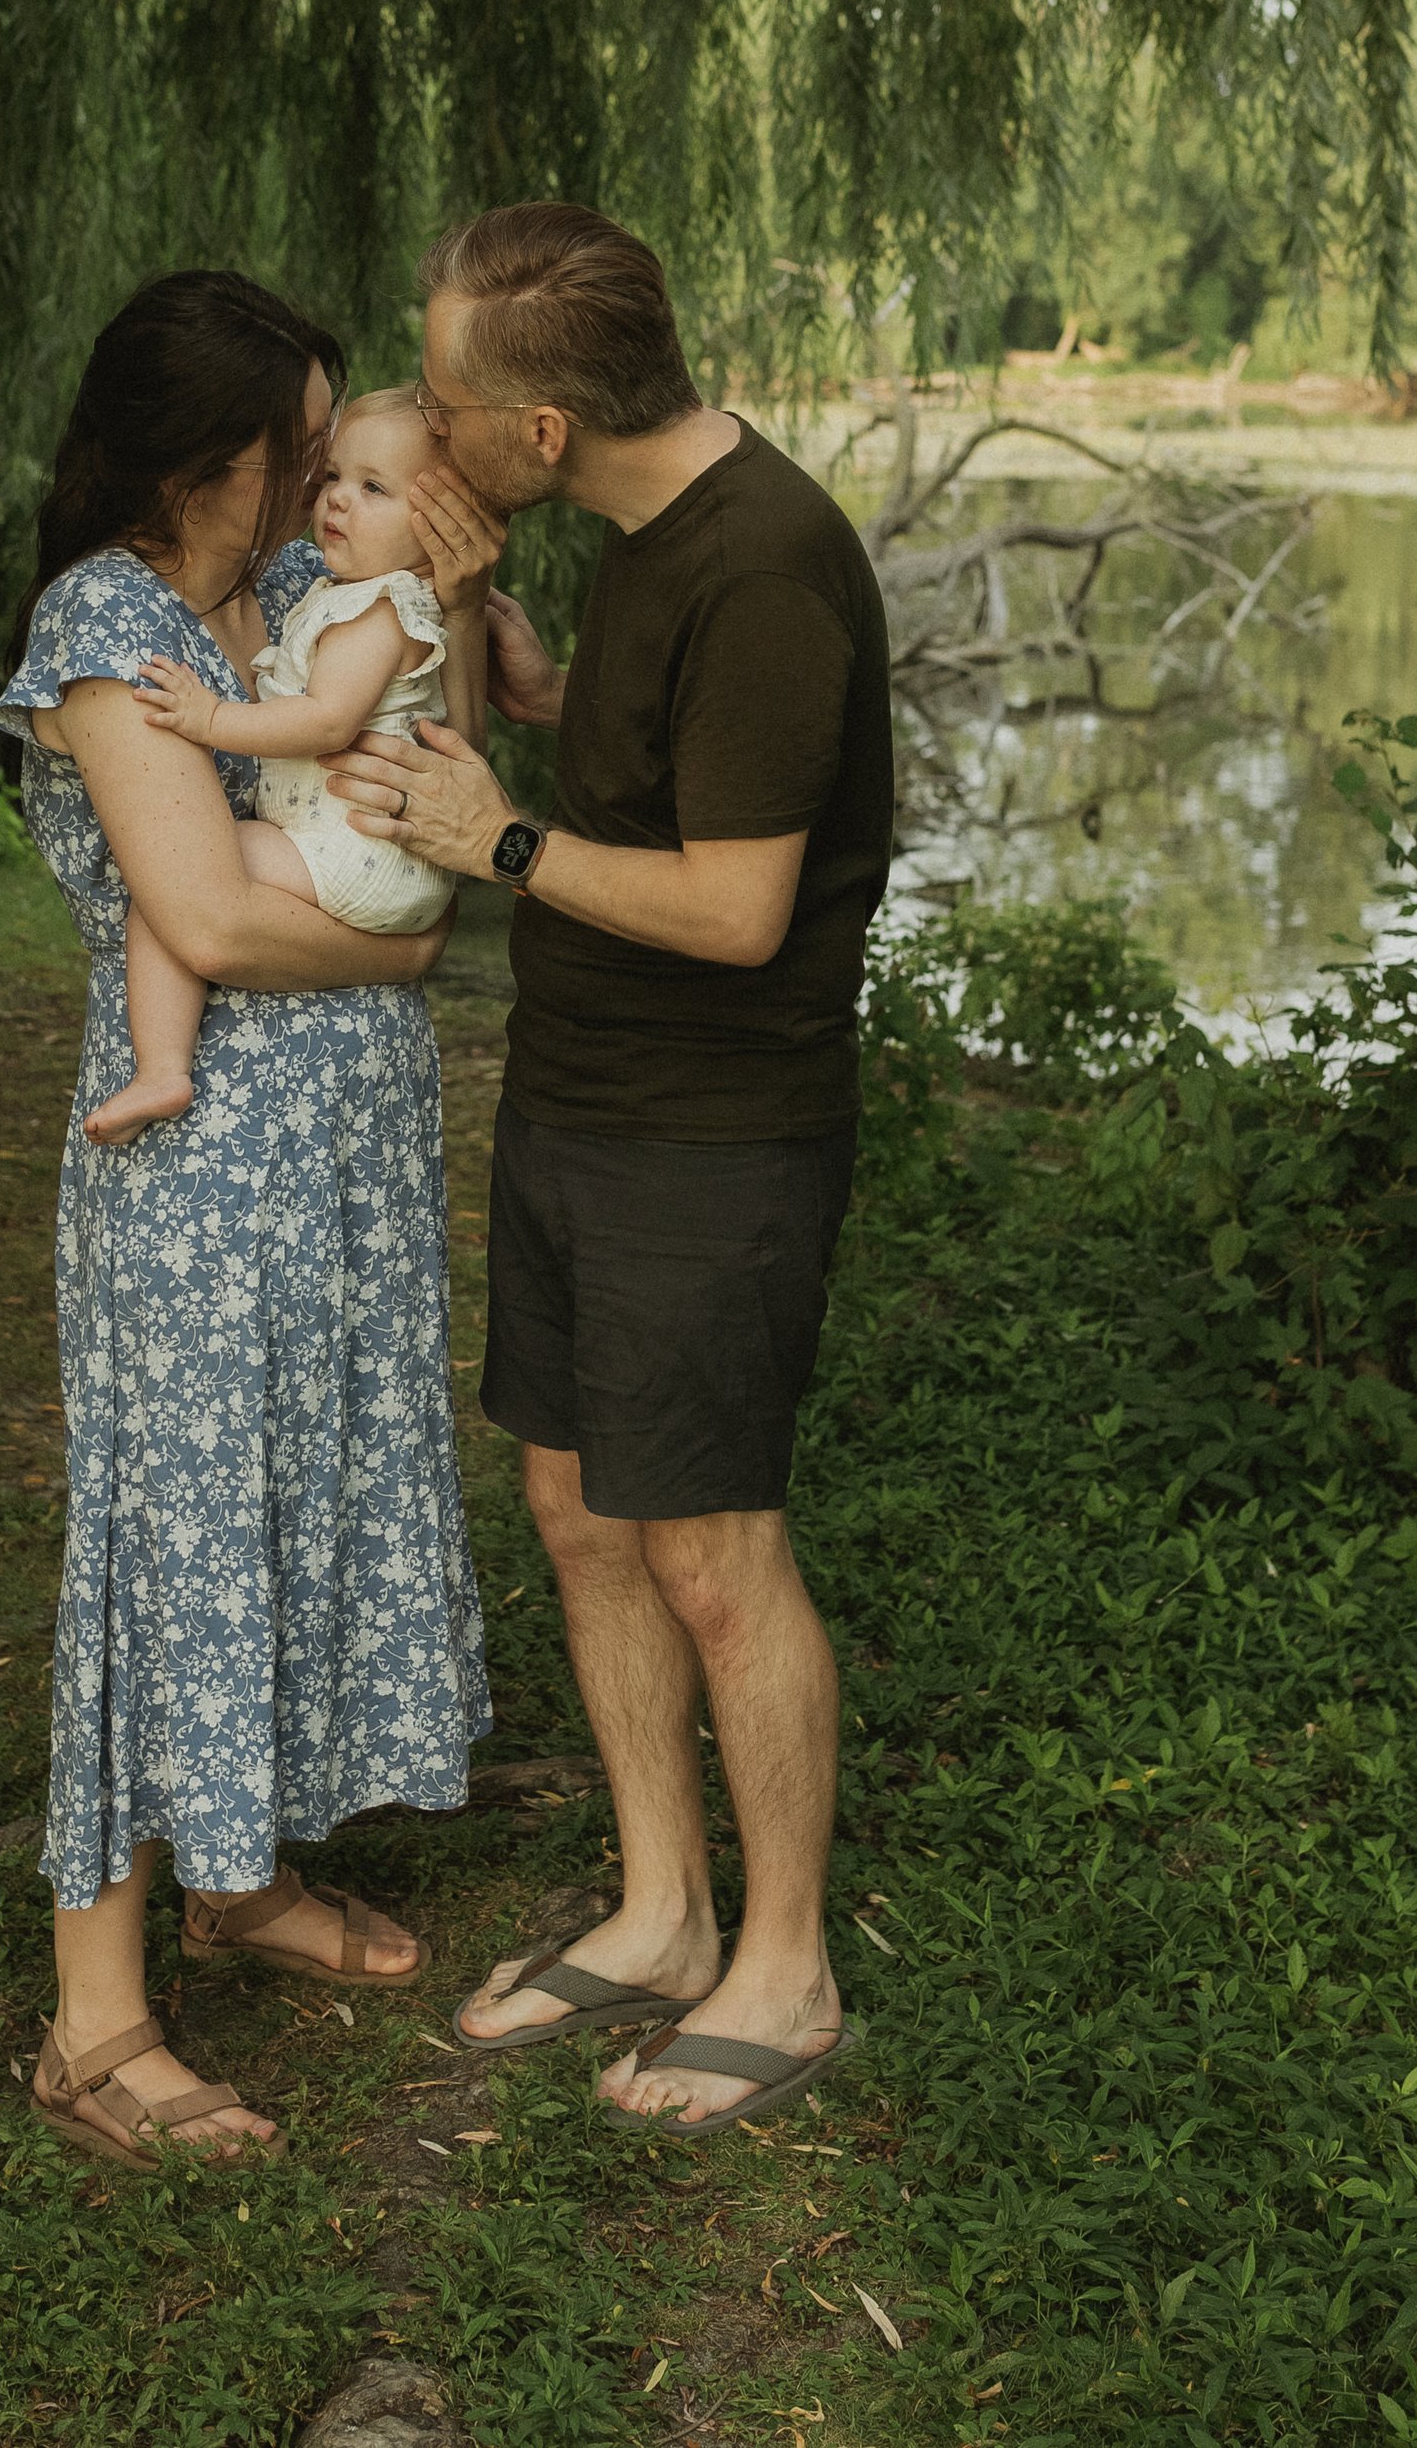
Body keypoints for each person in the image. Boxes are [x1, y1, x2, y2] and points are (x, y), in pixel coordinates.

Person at [323, 201, 894, 2135]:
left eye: (444, 398)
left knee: (713, 1549)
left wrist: (499, 848)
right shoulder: (632, 533)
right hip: (581, 1095)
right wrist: (480, 623)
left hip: (713, 1136)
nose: (420, 415)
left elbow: (737, 911)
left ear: (542, 431)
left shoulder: (769, 575)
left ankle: (788, 1967)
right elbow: (588, 745)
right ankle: (660, 1912)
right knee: (579, 1517)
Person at [0, 272, 496, 2166]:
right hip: (194, 1181)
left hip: (339, 1172)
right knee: (166, 1529)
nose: (326, 473)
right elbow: (201, 920)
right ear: (217, 453)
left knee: (287, 1495)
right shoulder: (105, 627)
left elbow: (433, 737)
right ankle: (96, 2023)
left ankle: (236, 1872)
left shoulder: (289, 601)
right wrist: (415, 933)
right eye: (305, 443)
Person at [86, 391, 482, 1142]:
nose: (334, 498)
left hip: (356, 849)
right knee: (185, 891)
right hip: (362, 848)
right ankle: (161, 1069)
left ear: (436, 531)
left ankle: (161, 1069)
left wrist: (211, 719)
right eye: (332, 473)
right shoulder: (340, 591)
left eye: (374, 488)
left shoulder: (379, 609)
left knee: (168, 890)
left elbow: (326, 720)